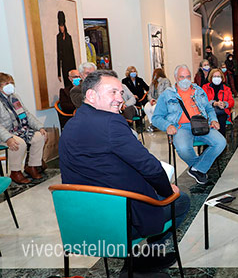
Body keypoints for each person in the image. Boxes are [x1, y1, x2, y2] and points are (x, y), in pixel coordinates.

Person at [59, 70, 190, 270]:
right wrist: (165, 191)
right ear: (91, 96)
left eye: (120, 93)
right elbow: (151, 167)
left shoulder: (71, 124)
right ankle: (148, 255)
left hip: (82, 220)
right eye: (113, 92)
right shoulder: (111, 123)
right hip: (118, 220)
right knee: (181, 200)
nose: (120, 99)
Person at [153, 65, 226, 185]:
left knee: (220, 142)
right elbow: (156, 117)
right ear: (176, 78)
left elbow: (209, 108)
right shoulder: (167, 94)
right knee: (183, 148)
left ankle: (197, 169)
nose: (185, 80)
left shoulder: (199, 90)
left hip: (202, 124)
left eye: (188, 76)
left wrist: (213, 119)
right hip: (181, 128)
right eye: (182, 77)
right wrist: (167, 126)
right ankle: (199, 168)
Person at [0, 73, 47, 184]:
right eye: (7, 83)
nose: (10, 85)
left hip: (19, 130)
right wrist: (8, 138)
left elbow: (26, 114)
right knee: (19, 143)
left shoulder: (15, 98)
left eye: (12, 83)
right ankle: (15, 172)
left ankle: (32, 166)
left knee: (40, 136)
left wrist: (40, 127)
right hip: (4, 134)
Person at [202, 69, 235, 136]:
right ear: (211, 77)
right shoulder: (205, 87)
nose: (217, 78)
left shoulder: (226, 88)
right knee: (209, 120)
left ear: (222, 78)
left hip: (222, 111)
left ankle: (221, 140)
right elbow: (203, 100)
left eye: (218, 76)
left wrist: (225, 104)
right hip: (208, 111)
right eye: (215, 76)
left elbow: (232, 101)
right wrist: (214, 103)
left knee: (221, 120)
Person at [56, 11, 77, 89]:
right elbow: (58, 54)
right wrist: (59, 73)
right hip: (64, 65)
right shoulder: (58, 38)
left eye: (62, 26)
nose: (61, 28)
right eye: (60, 26)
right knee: (67, 85)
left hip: (71, 64)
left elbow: (72, 53)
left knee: (74, 84)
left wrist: (75, 69)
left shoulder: (69, 37)